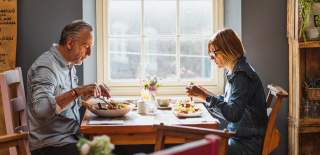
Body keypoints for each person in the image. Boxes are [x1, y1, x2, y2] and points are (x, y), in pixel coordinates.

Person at [26, 20, 111, 155]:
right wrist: (76, 92)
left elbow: (63, 104)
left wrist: (85, 94)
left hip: (70, 138)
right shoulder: (46, 67)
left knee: (109, 148)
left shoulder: (67, 64)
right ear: (70, 43)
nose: (89, 53)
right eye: (86, 46)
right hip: (51, 145)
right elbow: (42, 109)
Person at [186, 28, 268, 155]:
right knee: (197, 145)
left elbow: (233, 114)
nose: (212, 58)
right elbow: (229, 105)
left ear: (227, 50)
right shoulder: (235, 71)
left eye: (214, 53)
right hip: (239, 138)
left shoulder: (241, 75)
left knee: (198, 149)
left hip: (246, 144)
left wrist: (204, 96)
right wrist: (204, 93)